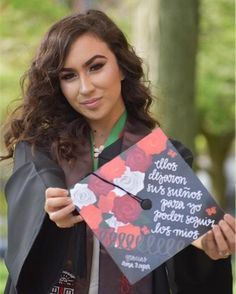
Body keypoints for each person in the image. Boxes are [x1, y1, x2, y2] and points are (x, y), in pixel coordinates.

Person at [1, 9, 235, 294]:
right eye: (69, 76)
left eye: (96, 66)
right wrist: (48, 213)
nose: (85, 88)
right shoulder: (40, 150)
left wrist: (208, 250)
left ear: (122, 67)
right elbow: (33, 207)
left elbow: (184, 256)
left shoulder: (164, 157)